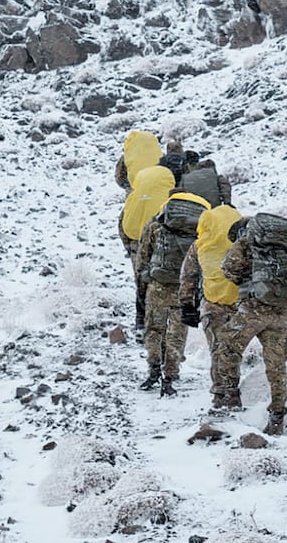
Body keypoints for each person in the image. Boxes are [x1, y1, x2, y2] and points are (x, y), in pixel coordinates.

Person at [216, 213, 287, 436]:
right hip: (282, 312)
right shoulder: (284, 247)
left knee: (227, 345)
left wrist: (247, 280)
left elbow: (229, 268)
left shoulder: (247, 242)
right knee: (277, 366)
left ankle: (229, 396)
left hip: (253, 309)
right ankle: (277, 416)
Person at [134, 192, 210, 396]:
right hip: (184, 287)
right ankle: (170, 376)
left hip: (157, 285)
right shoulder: (197, 229)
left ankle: (153, 369)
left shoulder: (156, 226)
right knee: (177, 333)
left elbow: (143, 256)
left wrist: (142, 282)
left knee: (154, 329)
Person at [177, 205, 244, 409]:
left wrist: (187, 305)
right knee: (233, 350)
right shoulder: (243, 244)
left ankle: (220, 394)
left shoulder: (200, 245)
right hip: (240, 305)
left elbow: (188, 276)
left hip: (212, 305)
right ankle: (232, 392)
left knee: (217, 349)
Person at [119, 165, 176, 339]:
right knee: (163, 282)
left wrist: (129, 247)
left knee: (141, 281)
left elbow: (123, 224)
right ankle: (164, 324)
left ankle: (141, 321)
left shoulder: (133, 198)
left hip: (137, 244)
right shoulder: (169, 200)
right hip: (162, 245)